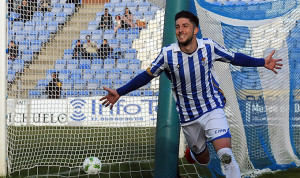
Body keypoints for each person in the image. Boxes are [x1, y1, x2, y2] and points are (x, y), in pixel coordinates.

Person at [99, 11, 283, 177]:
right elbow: (146, 76)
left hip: (212, 108)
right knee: (203, 159)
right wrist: (120, 92)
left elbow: (234, 58)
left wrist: (262, 62)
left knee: (225, 156)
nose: (180, 30)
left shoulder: (208, 47)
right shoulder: (167, 54)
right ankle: (193, 152)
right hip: (188, 117)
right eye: (177, 26)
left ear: (195, 30)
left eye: (185, 26)